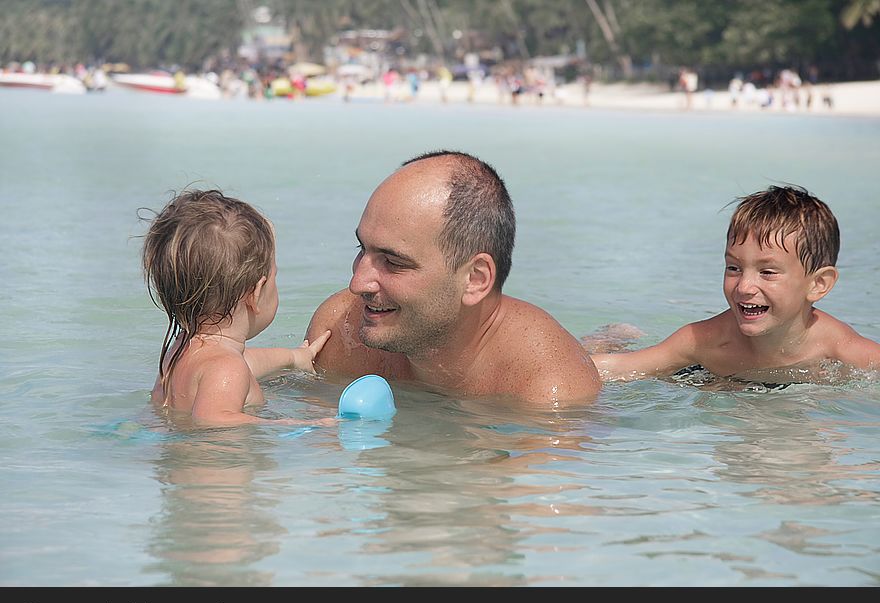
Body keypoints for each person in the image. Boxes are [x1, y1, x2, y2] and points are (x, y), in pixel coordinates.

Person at [305, 151, 600, 405]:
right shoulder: (340, 332)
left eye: (393, 262)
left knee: (603, 361)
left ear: (475, 279)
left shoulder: (549, 393)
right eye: (362, 249)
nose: (357, 284)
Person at [589, 186, 880, 384]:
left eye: (767, 272)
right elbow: (615, 370)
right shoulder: (704, 341)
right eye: (734, 268)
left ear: (818, 284)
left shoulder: (843, 351)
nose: (744, 286)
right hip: (711, 376)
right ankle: (613, 336)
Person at [142, 189, 333, 426]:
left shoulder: (183, 348)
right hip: (216, 462)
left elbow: (246, 363)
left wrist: (294, 358)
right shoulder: (227, 368)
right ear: (256, 293)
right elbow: (212, 419)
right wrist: (297, 425)